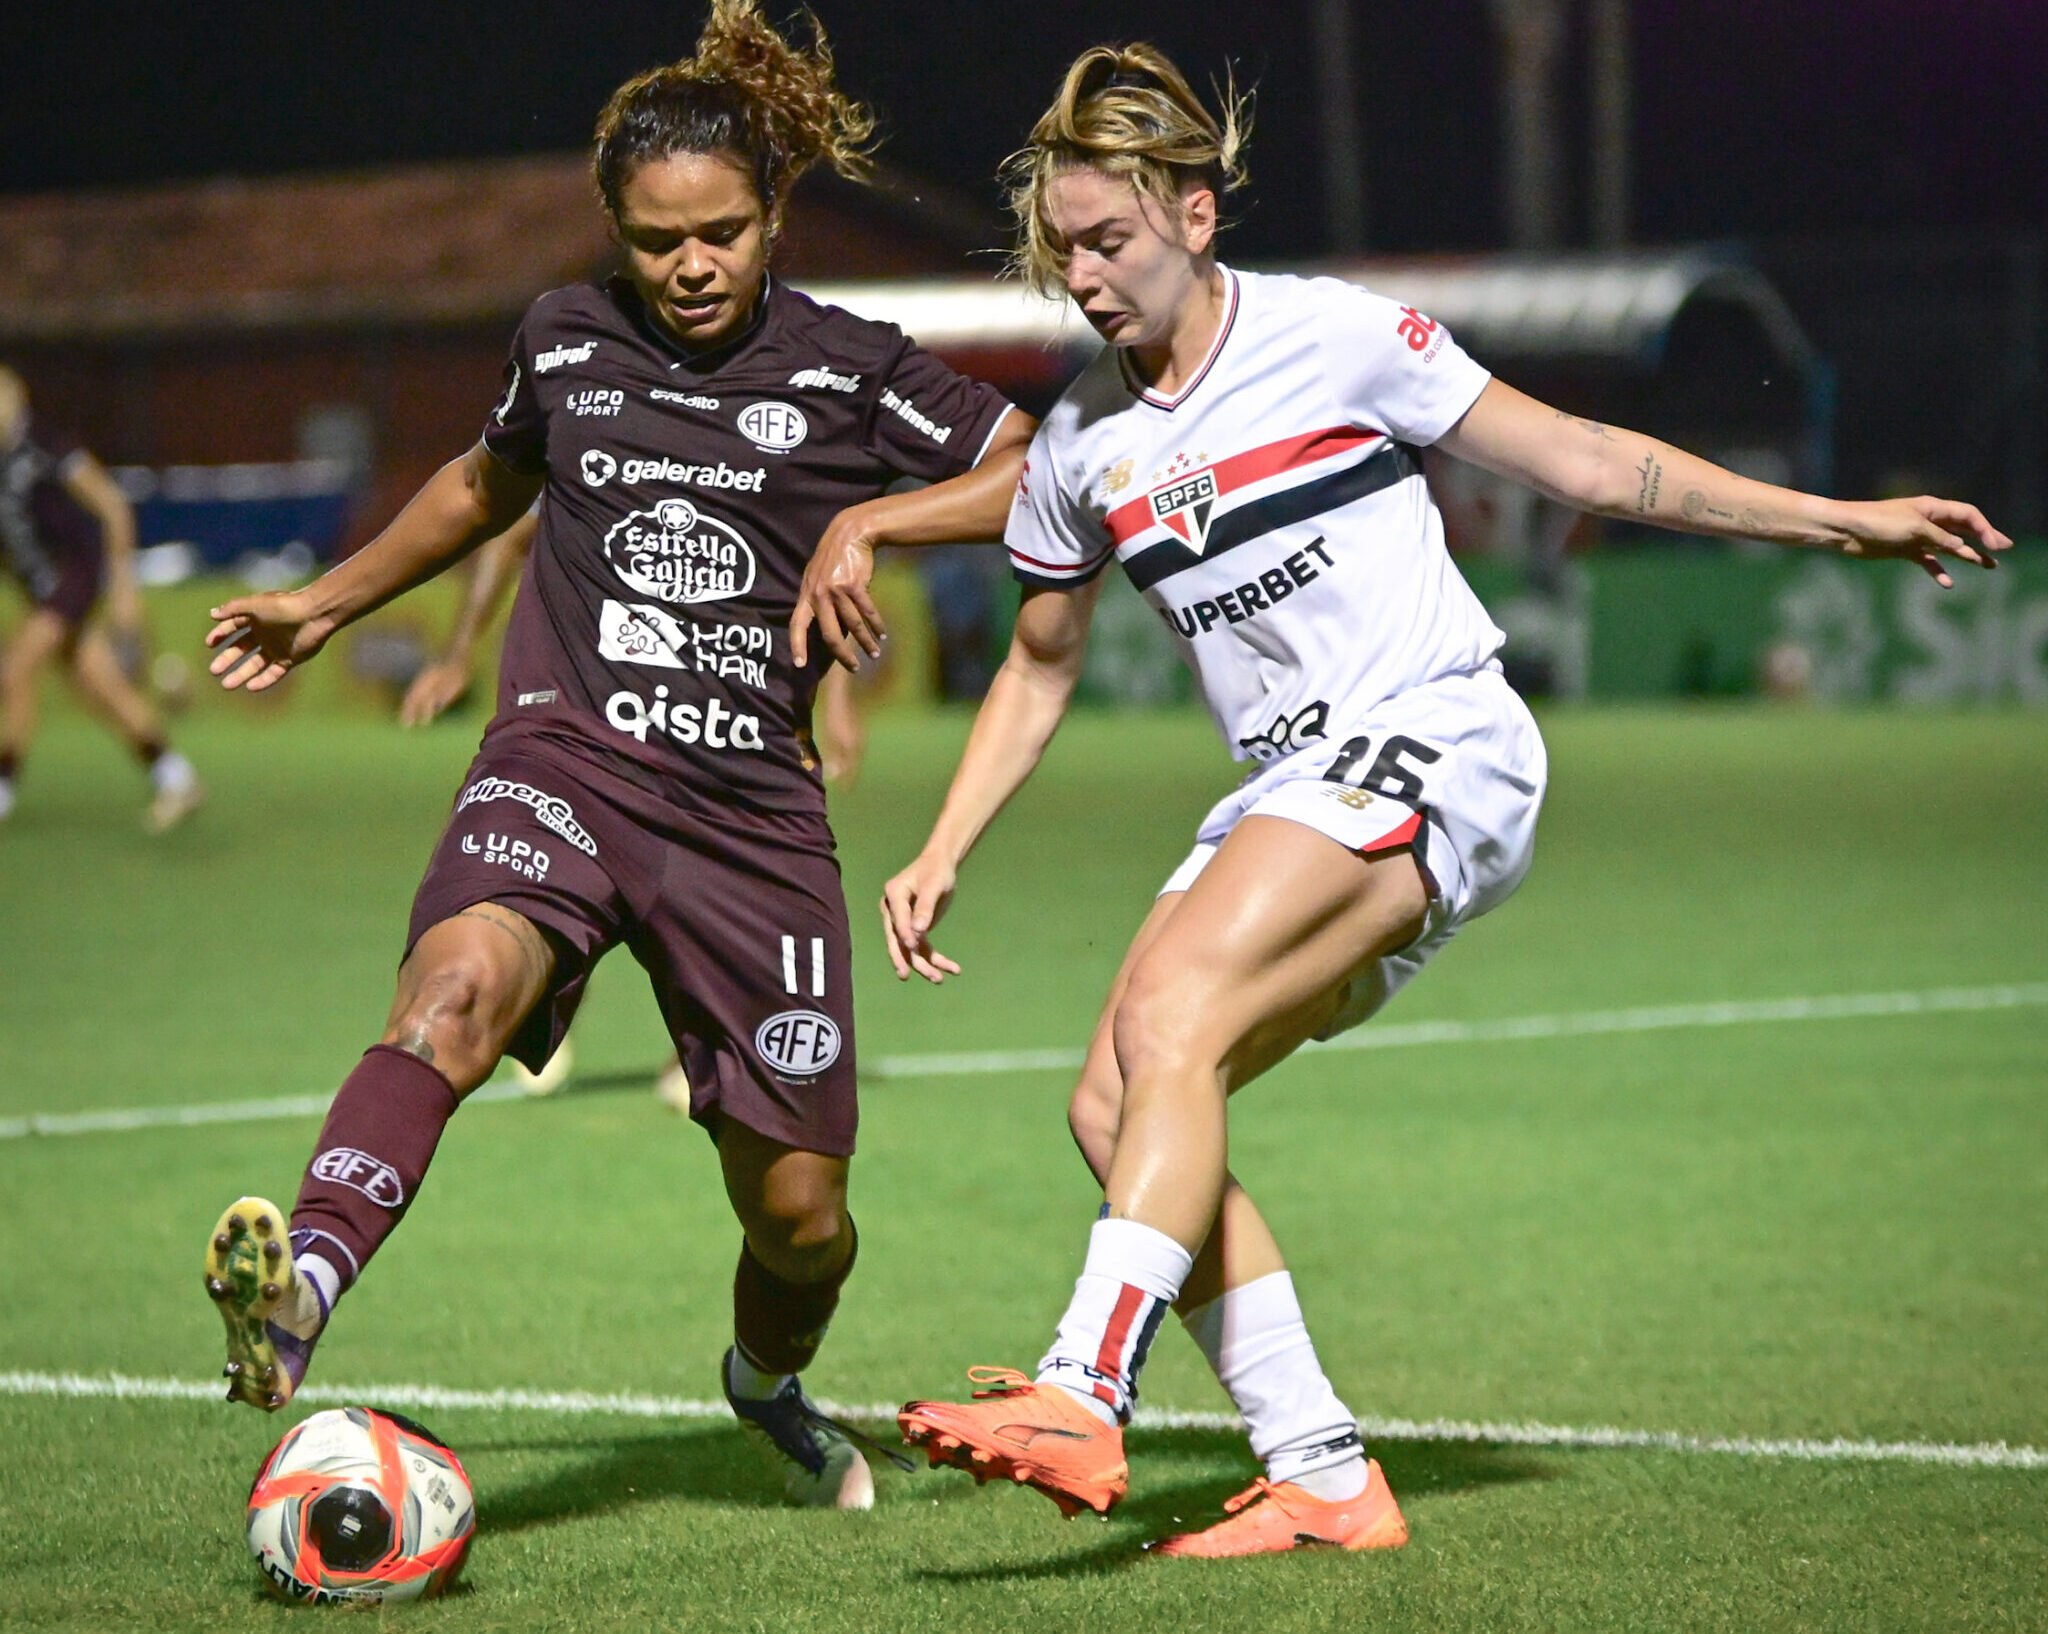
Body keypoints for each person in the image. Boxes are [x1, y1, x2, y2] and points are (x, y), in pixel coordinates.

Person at [872, 44, 2011, 1555]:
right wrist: (941, 846)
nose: (1083, 276)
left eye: (1111, 241)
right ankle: (1323, 1470)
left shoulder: (1334, 337)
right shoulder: (1081, 440)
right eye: (1061, 249)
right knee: (1120, 1094)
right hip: (1295, 782)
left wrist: (1833, 519)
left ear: (1198, 216)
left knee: (1172, 1016)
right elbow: (1037, 661)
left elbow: (1584, 459)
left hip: (1436, 735)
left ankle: (1085, 1381)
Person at [197, 0, 1033, 1511]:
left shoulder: (853, 368)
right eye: (658, 241)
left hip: (750, 822)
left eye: (721, 231)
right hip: (565, 761)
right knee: (448, 996)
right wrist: (322, 607)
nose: (693, 266)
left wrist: (867, 520)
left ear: (773, 213)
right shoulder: (564, 340)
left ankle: (763, 1379)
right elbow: (480, 483)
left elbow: (1036, 462)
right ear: (616, 231)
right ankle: (301, 1288)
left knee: (800, 1219)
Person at [398, 513, 866, 1102]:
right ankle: (543, 1002)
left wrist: (839, 699)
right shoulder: (608, 451)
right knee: (571, 873)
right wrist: (459, 650)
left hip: (719, 723)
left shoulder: (764, 474)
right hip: (596, 716)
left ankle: (697, 1051)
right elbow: (506, 532)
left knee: (714, 893)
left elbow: (825, 574)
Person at [0, 365, 203, 831]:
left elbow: (112, 506)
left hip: (74, 576)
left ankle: (4, 786)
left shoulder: (47, 446)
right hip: (42, 590)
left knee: (16, 668)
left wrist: (123, 586)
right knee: (102, 686)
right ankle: (175, 776)